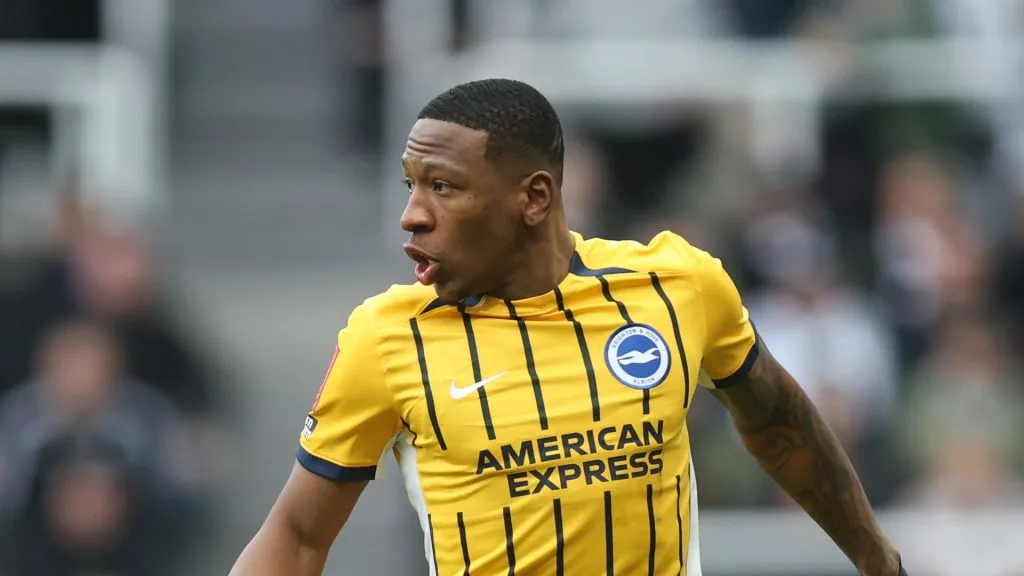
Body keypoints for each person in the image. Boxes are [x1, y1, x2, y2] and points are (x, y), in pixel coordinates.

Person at [230, 79, 908, 575]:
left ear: (534, 198)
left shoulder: (677, 287)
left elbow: (777, 421)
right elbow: (295, 536)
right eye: (410, 184)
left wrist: (879, 560)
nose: (411, 214)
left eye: (441, 186)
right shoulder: (388, 338)